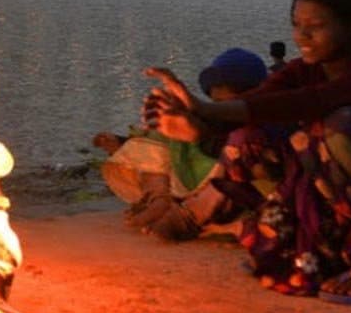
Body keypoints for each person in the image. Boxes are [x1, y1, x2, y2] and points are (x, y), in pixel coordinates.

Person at [143, 0, 351, 304]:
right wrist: (197, 126)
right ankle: (319, 252)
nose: (302, 37)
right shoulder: (302, 71)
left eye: (315, 27)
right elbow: (258, 104)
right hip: (339, 206)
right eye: (297, 26)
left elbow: (314, 101)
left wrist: (207, 109)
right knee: (249, 139)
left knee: (340, 126)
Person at [96, 48, 268, 241]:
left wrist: (196, 132)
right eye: (215, 101)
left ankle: (182, 214)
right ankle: (158, 199)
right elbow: (204, 125)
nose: (219, 106)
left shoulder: (266, 122)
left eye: (227, 101)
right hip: (192, 177)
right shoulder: (211, 117)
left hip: (228, 188)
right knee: (162, 136)